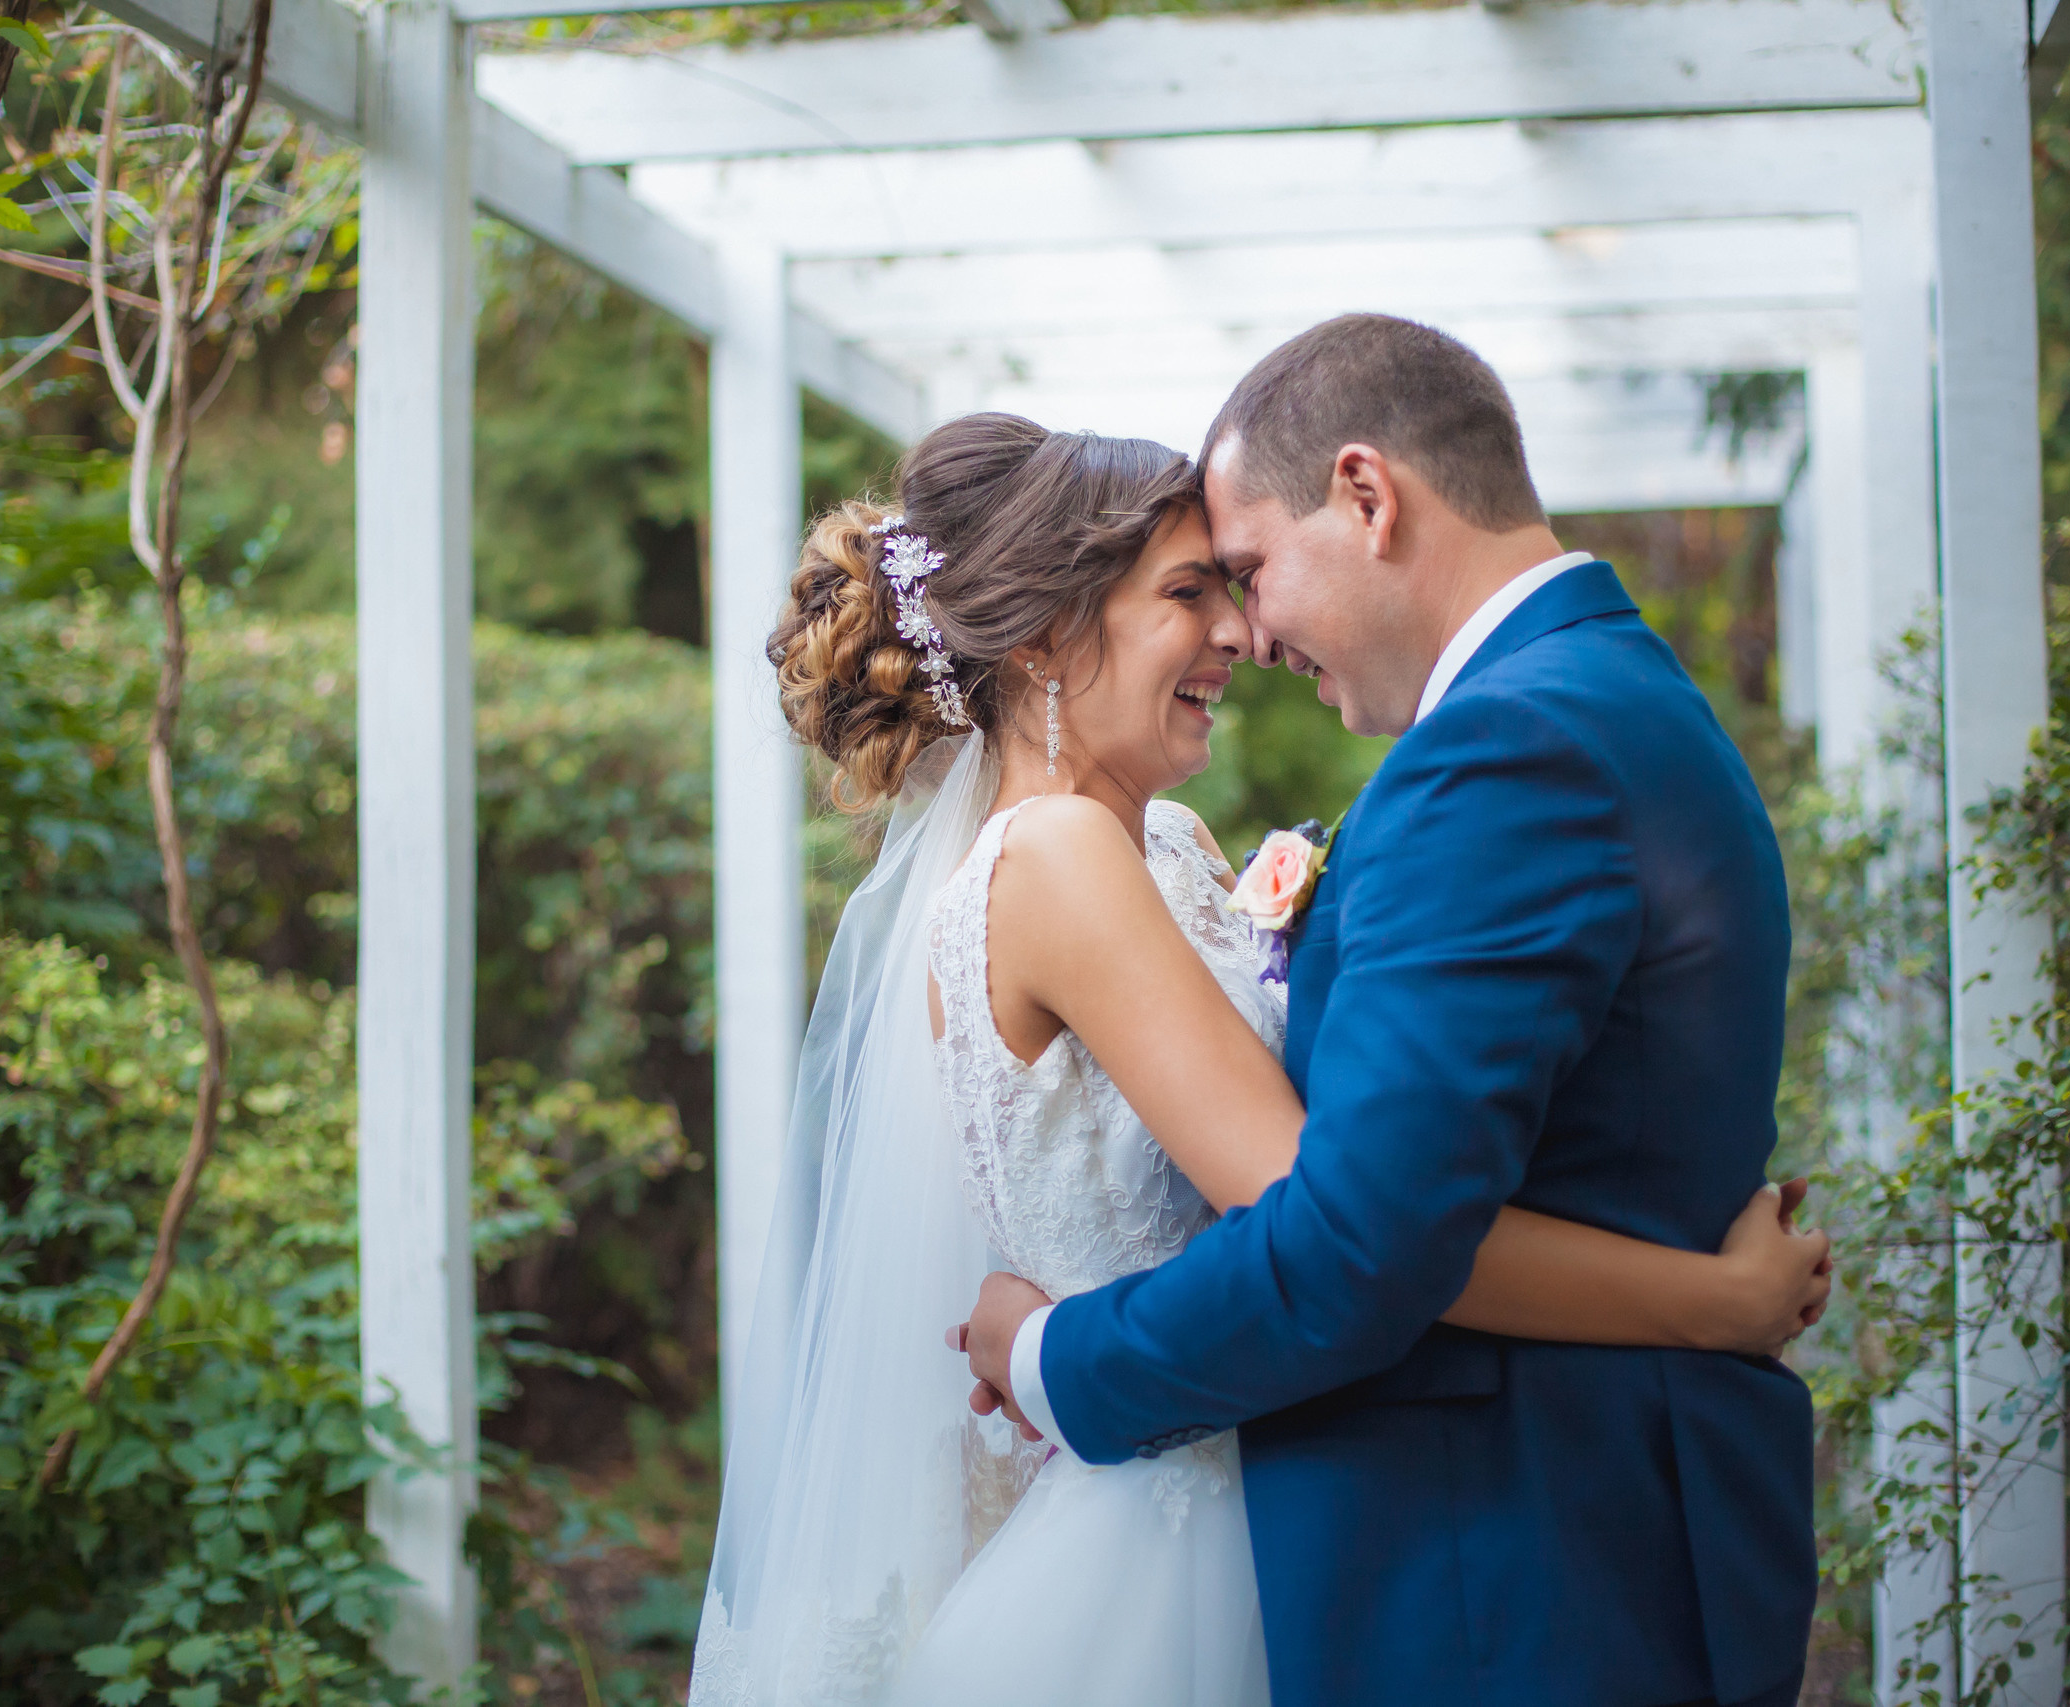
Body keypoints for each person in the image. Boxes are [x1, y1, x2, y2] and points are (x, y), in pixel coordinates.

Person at [696, 403, 1829, 1707]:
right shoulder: (1055, 861)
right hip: (1172, 1543)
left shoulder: (1160, 846)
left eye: (1234, 588)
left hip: (1274, 1472)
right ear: (1051, 634)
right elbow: (1337, 1214)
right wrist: (1710, 1300)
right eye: (1191, 592)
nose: (1238, 633)